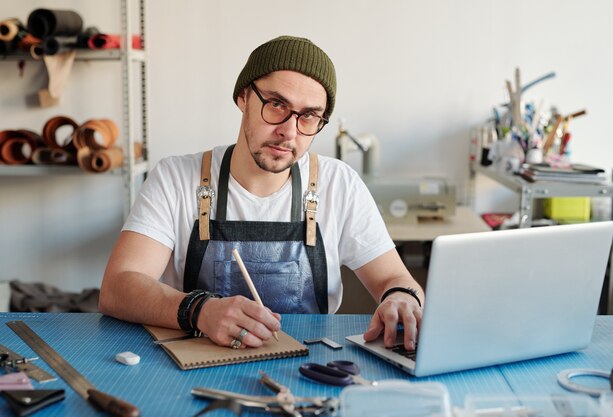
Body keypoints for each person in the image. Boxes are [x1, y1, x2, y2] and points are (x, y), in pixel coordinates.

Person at [99, 35, 424, 351]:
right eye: (276, 104)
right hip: (198, 365)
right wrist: (200, 310)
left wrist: (401, 298)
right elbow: (117, 288)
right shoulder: (177, 178)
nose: (288, 130)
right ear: (243, 97)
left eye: (308, 116)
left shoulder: (339, 183)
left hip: (311, 366)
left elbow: (396, 279)